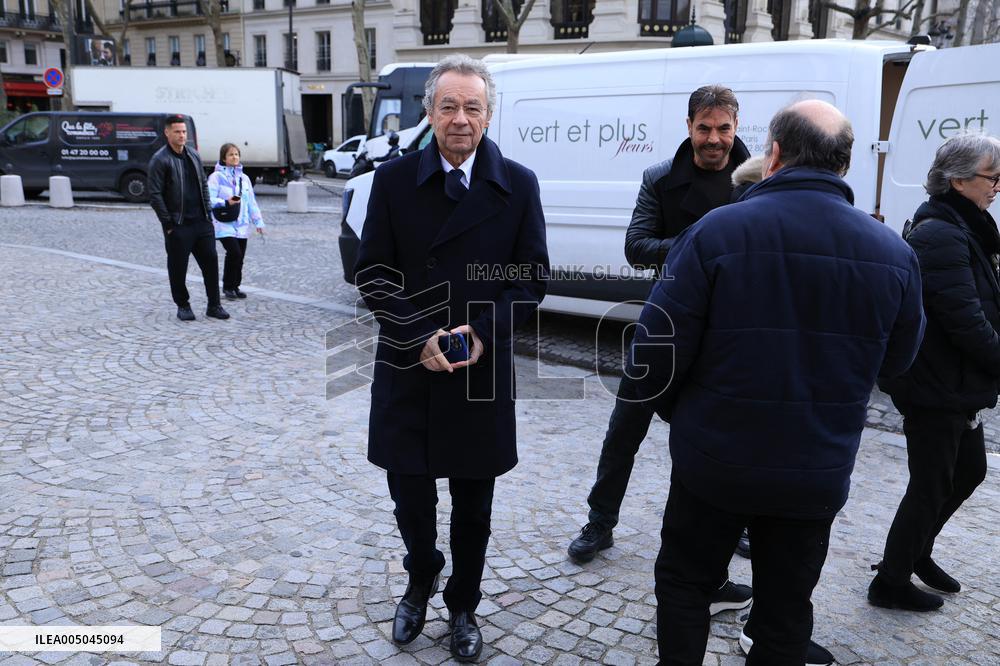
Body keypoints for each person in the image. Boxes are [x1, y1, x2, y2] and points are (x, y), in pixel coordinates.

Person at [628, 100, 925, 665]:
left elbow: (654, 351)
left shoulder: (714, 232)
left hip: (714, 458)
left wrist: (682, 416)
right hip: (814, 468)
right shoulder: (894, 253)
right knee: (785, 614)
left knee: (687, 585)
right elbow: (898, 363)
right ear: (844, 164)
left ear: (775, 155)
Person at [353, 54, 548, 663]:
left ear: (488, 116)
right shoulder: (392, 182)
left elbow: (530, 279)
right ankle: (420, 579)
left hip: (478, 373)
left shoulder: (517, 185)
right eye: (448, 106)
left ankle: (463, 603)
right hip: (409, 368)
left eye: (472, 107)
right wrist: (422, 339)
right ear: (429, 112)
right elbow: (374, 275)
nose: (460, 118)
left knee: (474, 506)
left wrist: (474, 338)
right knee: (410, 498)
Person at [567, 84, 754, 615]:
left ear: (736, 127)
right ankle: (600, 522)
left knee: (722, 440)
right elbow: (635, 246)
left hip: (730, 330)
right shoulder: (660, 179)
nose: (714, 139)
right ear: (689, 125)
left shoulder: (760, 179)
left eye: (723, 129)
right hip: (667, 321)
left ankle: (732, 527)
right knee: (625, 427)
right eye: (704, 128)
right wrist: (703, 237)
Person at [870, 132, 1000, 612]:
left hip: (955, 383)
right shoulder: (941, 233)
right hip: (934, 385)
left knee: (968, 470)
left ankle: (916, 550)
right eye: (993, 177)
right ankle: (890, 579)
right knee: (931, 485)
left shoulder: (966, 226)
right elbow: (965, 320)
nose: (997, 187)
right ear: (959, 180)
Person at [148, 115, 230, 322]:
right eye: (177, 131)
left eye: (184, 131)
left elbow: (203, 184)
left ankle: (214, 305)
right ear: (167, 133)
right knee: (178, 268)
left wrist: (208, 215)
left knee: (211, 264)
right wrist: (168, 224)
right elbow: (155, 195)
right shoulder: (160, 159)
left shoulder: (194, 155)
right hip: (178, 224)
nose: (182, 135)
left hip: (201, 223)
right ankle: (183, 305)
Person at [208, 143, 265, 300]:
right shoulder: (216, 177)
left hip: (241, 223)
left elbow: (251, 202)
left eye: (236, 154)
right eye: (231, 155)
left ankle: (235, 286)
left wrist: (258, 222)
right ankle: (227, 287)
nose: (234, 157)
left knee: (240, 257)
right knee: (234, 252)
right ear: (223, 158)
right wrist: (225, 201)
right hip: (223, 222)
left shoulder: (244, 178)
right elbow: (208, 199)